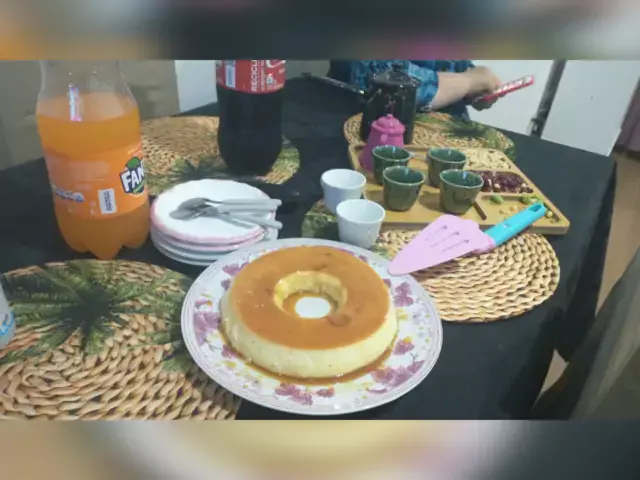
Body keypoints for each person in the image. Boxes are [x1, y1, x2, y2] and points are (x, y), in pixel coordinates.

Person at [327, 60, 502, 120]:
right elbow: (374, 74)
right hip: (368, 135)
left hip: (447, 136)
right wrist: (468, 81)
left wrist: (472, 87)